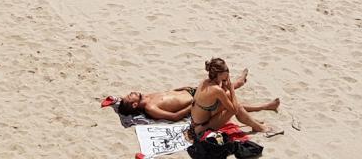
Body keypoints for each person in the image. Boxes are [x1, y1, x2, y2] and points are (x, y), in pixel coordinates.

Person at [117, 70, 279, 121]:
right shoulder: (150, 108)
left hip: (191, 92)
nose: (129, 93)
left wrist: (182, 88)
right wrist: (192, 106)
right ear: (134, 105)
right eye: (129, 97)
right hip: (196, 101)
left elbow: (169, 93)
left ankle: (239, 85)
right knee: (226, 94)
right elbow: (173, 116)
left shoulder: (147, 97)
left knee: (221, 90)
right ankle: (239, 84)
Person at [188, 58, 267, 137]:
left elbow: (223, 92)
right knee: (237, 106)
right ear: (219, 74)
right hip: (202, 129)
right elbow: (234, 110)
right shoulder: (217, 90)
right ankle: (259, 127)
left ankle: (253, 122)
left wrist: (227, 84)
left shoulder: (205, 82)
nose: (228, 73)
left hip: (195, 124)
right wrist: (231, 88)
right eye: (226, 73)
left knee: (229, 97)